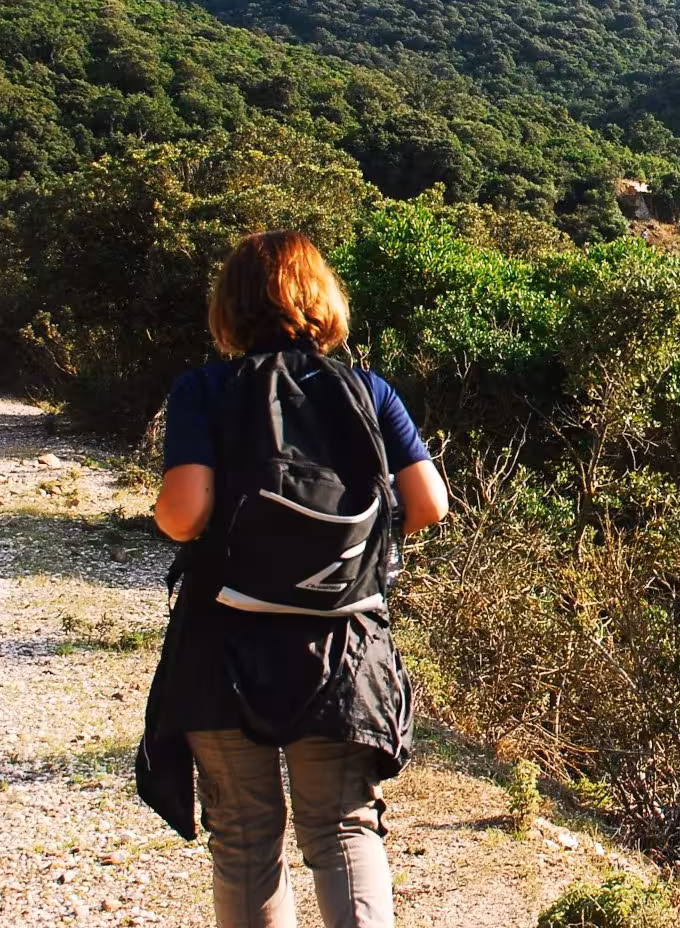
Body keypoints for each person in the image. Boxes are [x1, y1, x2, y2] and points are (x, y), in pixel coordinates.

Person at [136, 230, 448, 928]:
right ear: (323, 301)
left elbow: (184, 516)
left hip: (223, 643)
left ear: (231, 307)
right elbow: (429, 504)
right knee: (342, 831)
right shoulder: (369, 389)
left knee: (246, 839)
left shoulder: (203, 391)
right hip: (345, 641)